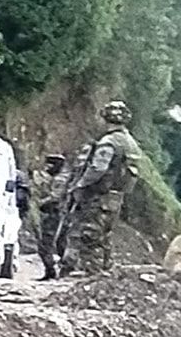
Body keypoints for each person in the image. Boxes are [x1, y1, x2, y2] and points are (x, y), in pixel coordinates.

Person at [62, 101, 144, 276]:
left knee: (89, 236)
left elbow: (98, 168)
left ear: (106, 118)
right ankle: (104, 275)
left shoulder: (109, 142)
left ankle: (91, 275)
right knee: (104, 236)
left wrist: (80, 184)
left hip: (98, 197)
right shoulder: (131, 143)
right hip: (116, 198)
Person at [34, 153, 69, 280]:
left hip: (55, 215)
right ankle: (56, 271)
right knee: (59, 244)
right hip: (56, 215)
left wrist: (40, 203)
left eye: (50, 165)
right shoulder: (59, 177)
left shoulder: (60, 179)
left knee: (46, 245)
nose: (47, 168)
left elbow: (55, 197)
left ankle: (52, 271)